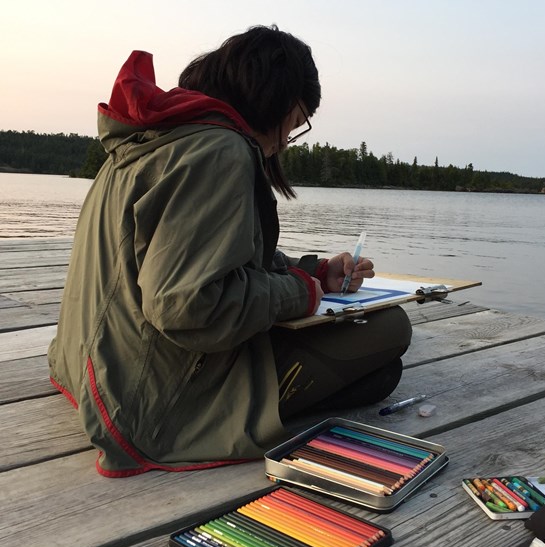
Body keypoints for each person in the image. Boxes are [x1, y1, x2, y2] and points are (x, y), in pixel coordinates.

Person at [48, 25, 412, 477]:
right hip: (146, 406)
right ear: (273, 100)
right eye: (294, 125)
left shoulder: (157, 139)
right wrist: (302, 293)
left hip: (93, 369)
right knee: (389, 337)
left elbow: (213, 254)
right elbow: (190, 307)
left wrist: (314, 271)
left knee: (378, 368)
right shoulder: (218, 150)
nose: (284, 143)